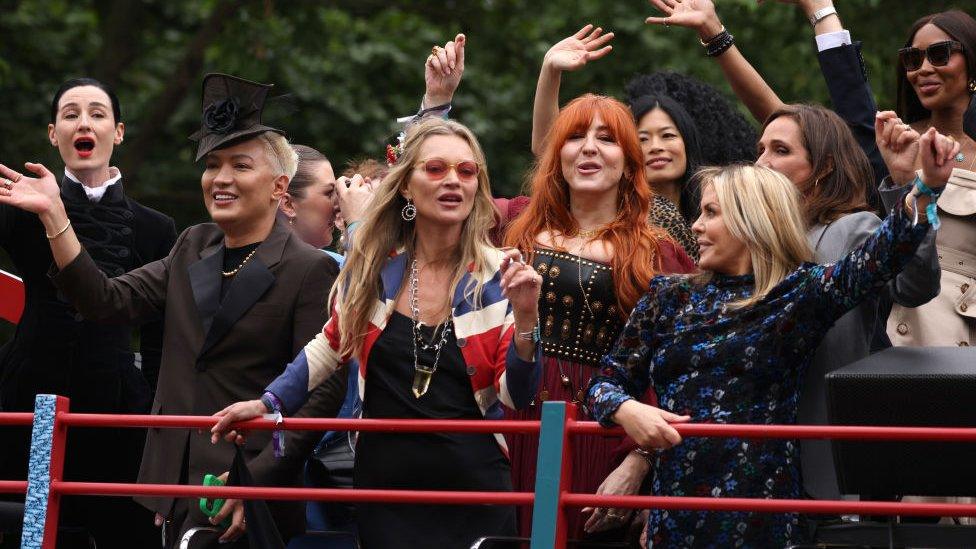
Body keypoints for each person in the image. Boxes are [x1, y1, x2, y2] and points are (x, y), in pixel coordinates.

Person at [0, 73, 343, 547]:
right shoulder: (192, 245)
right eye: (212, 165)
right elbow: (106, 299)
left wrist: (256, 479)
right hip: (140, 472)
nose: (220, 179)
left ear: (279, 187)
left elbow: (319, 393)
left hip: (240, 490)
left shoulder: (309, 269)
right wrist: (57, 219)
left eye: (240, 166)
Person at [586, 124, 958, 547]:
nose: (695, 225)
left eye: (710, 213)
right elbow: (605, 383)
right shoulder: (666, 296)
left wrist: (924, 185)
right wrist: (628, 410)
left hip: (763, 515)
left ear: (751, 219)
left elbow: (880, 257)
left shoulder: (798, 294)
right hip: (676, 512)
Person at [210, 117, 543, 549]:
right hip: (385, 486)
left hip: (471, 485)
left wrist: (526, 320)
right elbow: (330, 346)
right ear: (406, 186)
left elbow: (517, 396)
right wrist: (268, 402)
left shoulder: (502, 274)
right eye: (435, 169)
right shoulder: (373, 266)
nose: (453, 182)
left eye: (466, 172)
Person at [504, 93, 695, 543]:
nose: (589, 147)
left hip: (608, 430)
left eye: (606, 139)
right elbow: (432, 189)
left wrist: (640, 464)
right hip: (513, 419)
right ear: (557, 156)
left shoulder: (659, 252)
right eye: (575, 136)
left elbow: (684, 373)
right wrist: (437, 100)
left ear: (630, 164)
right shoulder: (513, 224)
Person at [0, 77, 176, 548]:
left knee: (118, 528)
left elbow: (160, 337)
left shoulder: (155, 227)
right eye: (70, 114)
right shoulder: (18, 210)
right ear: (53, 134)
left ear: (117, 132)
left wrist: (158, 420)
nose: (84, 122)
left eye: (97, 114)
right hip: (34, 401)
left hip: (117, 404)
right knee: (33, 526)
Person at [883, 9, 976, 349]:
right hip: (898, 332)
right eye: (912, 58)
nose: (923, 69)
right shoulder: (895, 145)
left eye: (939, 54)